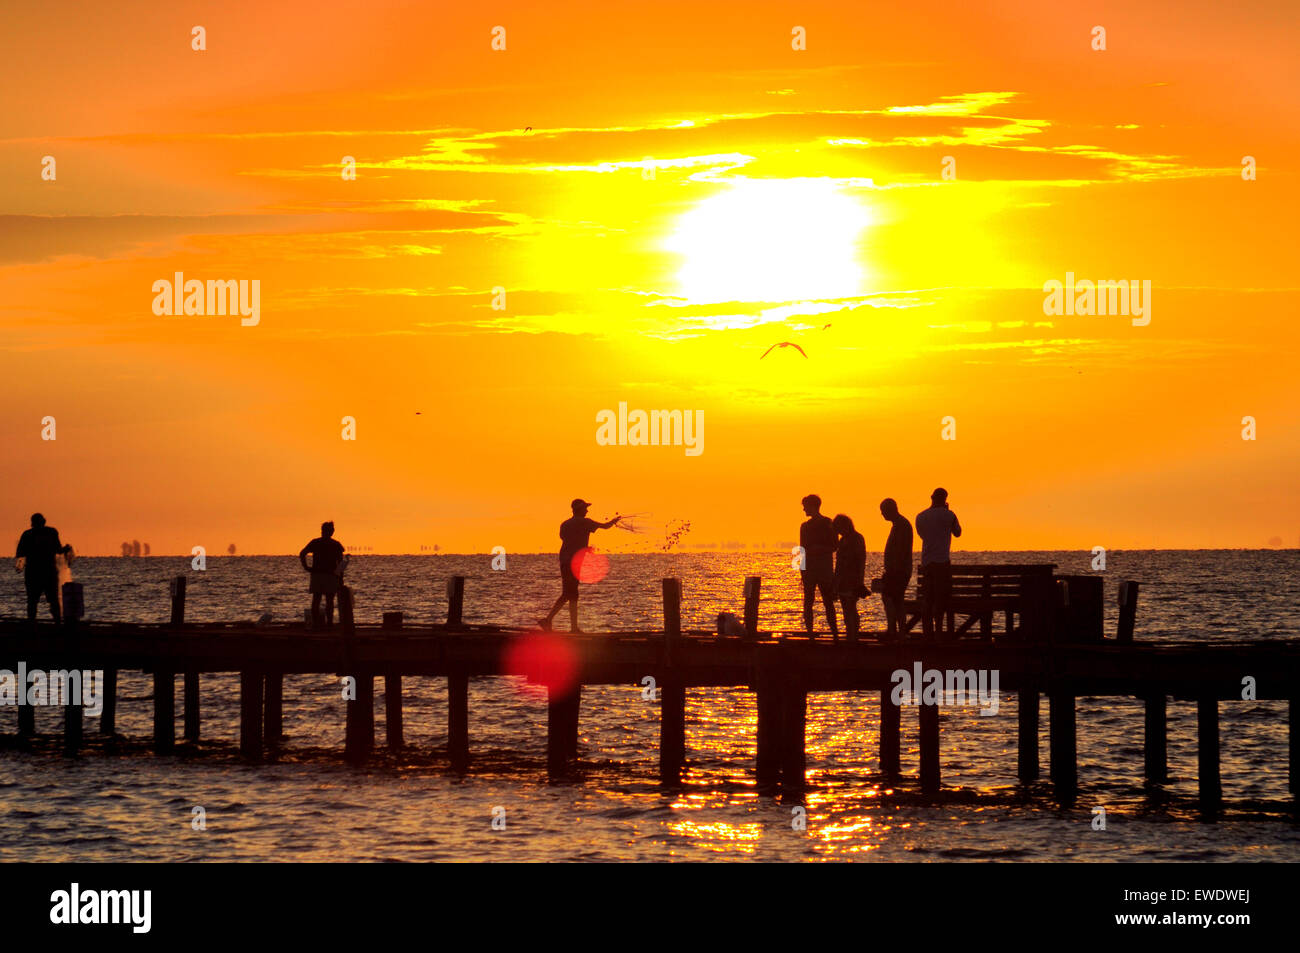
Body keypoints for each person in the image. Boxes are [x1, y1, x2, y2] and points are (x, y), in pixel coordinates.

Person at [540, 499, 621, 633]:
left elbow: (567, 540)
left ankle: (552, 621)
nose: (587, 510)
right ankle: (564, 625)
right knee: (571, 594)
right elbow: (605, 526)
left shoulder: (564, 524)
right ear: (579, 510)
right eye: (585, 508)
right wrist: (614, 521)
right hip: (574, 563)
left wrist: (584, 548)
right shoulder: (585, 522)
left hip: (565, 561)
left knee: (569, 594)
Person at [915, 488, 962, 639]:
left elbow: (923, 535)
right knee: (940, 599)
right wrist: (947, 514)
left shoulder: (921, 517)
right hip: (942, 562)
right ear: (945, 499)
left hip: (927, 562)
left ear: (931, 498)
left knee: (928, 599)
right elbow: (958, 533)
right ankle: (939, 632)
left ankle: (927, 632)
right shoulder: (950, 515)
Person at [14, 513, 71, 623]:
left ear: (32, 523)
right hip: (48, 572)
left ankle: (32, 624)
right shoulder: (51, 532)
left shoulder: (27, 534)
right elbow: (58, 550)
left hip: (33, 573)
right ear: (44, 521)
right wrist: (66, 549)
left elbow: (20, 553)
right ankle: (57, 623)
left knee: (32, 601)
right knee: (53, 600)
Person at [799, 494, 838, 639]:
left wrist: (818, 549)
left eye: (805, 506)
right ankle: (810, 633)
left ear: (813, 506)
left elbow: (835, 546)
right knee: (808, 602)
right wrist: (801, 572)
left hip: (824, 570)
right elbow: (801, 549)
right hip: (809, 571)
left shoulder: (828, 523)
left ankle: (835, 634)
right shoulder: (804, 526)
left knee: (828, 602)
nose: (804, 509)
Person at [876, 498, 914, 640]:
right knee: (892, 599)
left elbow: (900, 550)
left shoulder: (902, 525)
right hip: (896, 570)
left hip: (898, 571)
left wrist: (893, 570)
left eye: (883, 511)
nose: (882, 514)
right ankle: (895, 630)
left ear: (890, 510)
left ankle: (897, 631)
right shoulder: (898, 524)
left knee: (893, 599)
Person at [299, 521, 345, 629]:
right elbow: (341, 562)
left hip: (319, 575)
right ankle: (328, 624)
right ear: (331, 531)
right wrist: (340, 577)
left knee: (317, 599)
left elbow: (302, 553)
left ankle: (317, 624)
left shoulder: (316, 543)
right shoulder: (335, 545)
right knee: (328, 600)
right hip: (329, 575)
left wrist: (306, 567)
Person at [831, 514, 866, 642]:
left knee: (850, 608)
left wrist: (859, 581)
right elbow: (839, 564)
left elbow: (859, 561)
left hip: (852, 579)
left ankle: (853, 635)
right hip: (842, 580)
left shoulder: (857, 538)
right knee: (847, 610)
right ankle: (850, 634)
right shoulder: (843, 540)